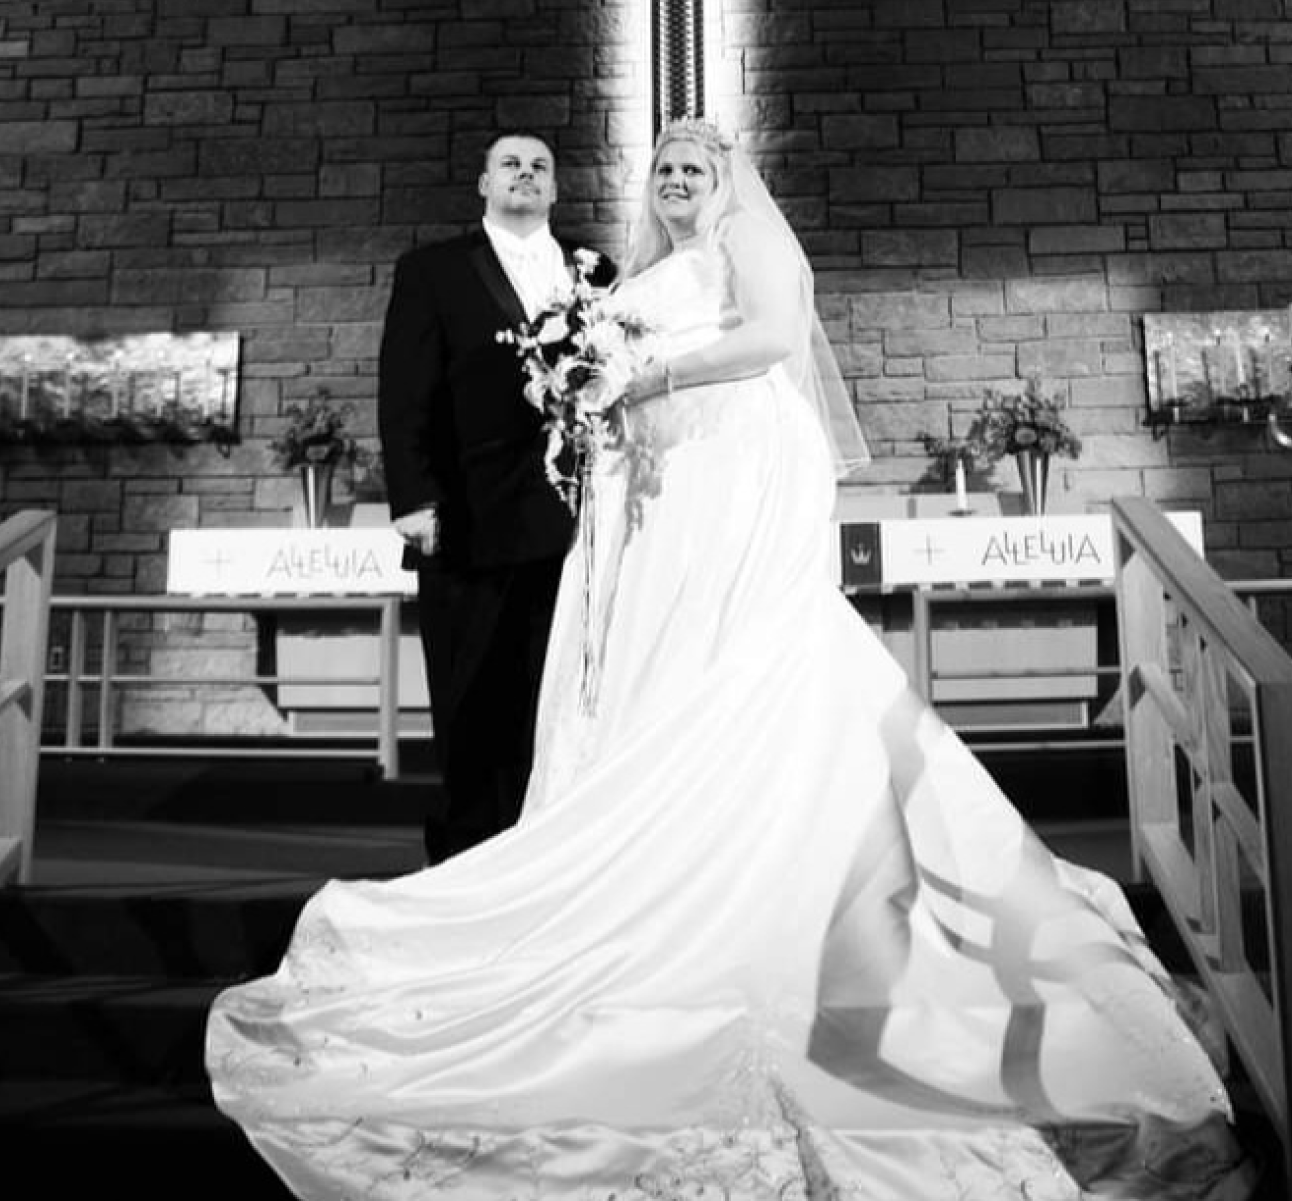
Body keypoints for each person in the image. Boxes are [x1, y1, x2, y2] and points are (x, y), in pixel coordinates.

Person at [207, 120, 1257, 1200]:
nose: (672, 184)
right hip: (647, 497)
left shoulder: (749, 247)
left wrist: (642, 377)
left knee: (750, 660)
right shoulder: (628, 273)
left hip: (729, 468)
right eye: (661, 170)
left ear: (723, 181)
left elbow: (767, 341)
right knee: (652, 677)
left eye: (691, 170)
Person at [376, 129, 616, 863]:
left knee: (554, 694)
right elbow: (403, 392)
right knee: (472, 693)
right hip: (469, 520)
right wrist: (414, 500)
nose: (526, 174)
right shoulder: (433, 271)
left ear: (555, 189)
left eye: (540, 166)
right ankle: (468, 856)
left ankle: (541, 853)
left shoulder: (597, 270)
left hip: (574, 522)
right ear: (483, 184)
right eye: (510, 164)